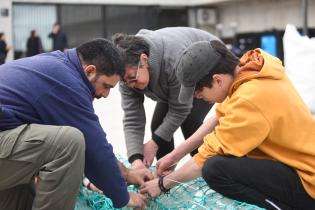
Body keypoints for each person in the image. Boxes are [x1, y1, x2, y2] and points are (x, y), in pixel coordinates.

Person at [141, 40, 315, 210]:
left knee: (215, 169)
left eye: (198, 92)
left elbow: (204, 159)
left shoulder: (249, 98)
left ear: (217, 80)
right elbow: (217, 118)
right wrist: (174, 156)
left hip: (307, 183)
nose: (198, 97)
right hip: (296, 165)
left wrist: (163, 185)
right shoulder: (249, 70)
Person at [0, 38, 150, 210]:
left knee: (24, 189)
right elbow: (95, 149)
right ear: (90, 71)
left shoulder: (58, 66)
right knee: (69, 142)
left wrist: (127, 174)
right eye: (106, 86)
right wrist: (123, 197)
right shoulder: (66, 82)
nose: (107, 94)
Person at [112, 27, 219, 171]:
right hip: (176, 80)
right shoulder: (127, 75)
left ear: (144, 59)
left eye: (133, 79)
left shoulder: (173, 60)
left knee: (190, 121)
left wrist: (154, 143)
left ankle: (209, 172)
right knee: (158, 126)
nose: (131, 85)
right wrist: (136, 159)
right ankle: (166, 176)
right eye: (125, 82)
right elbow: (133, 117)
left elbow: (181, 108)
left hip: (208, 65)